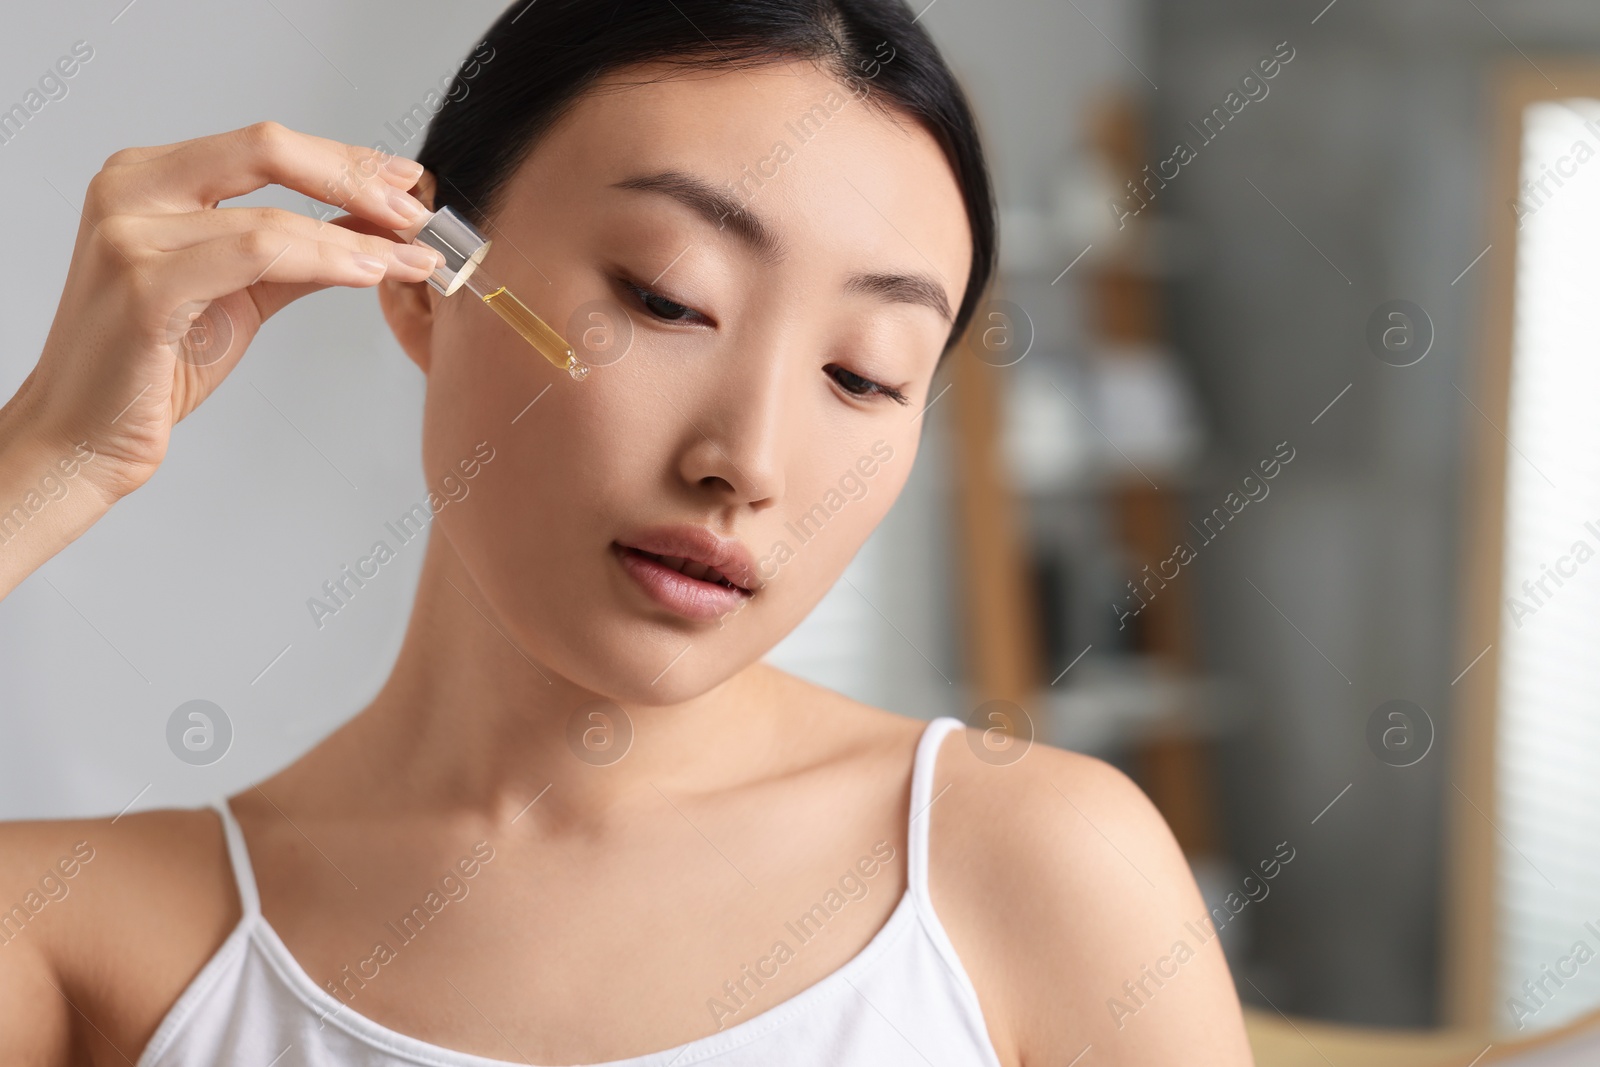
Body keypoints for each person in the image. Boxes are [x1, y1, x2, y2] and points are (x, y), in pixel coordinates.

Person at [0, 0, 1253, 1063]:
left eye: (865, 375)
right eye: (665, 297)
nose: (747, 463)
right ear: (424, 267)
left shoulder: (1037, 872)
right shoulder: (91, 936)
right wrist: (44, 461)